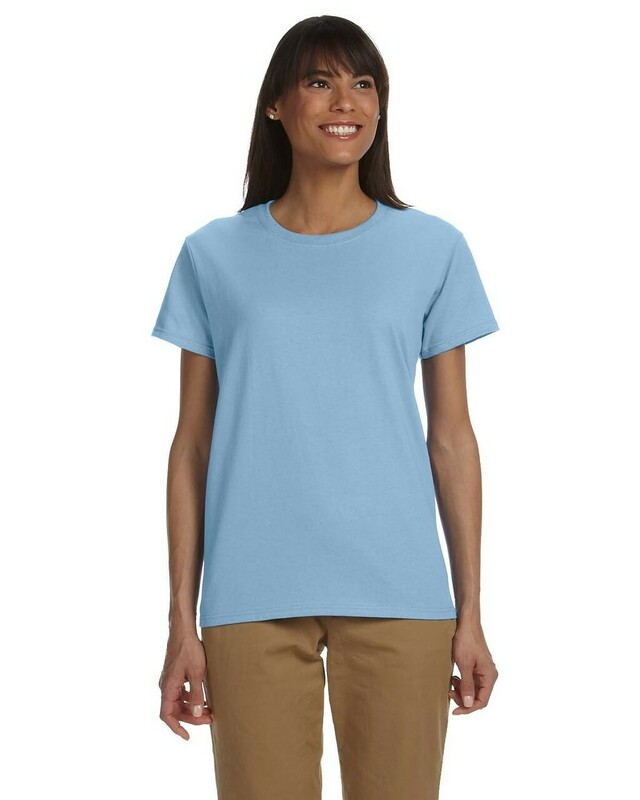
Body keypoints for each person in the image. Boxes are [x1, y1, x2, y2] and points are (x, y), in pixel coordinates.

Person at [153, 14, 500, 800]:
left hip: (400, 591)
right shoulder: (213, 254)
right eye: (320, 81)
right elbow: (192, 447)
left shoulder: (434, 248)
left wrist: (471, 612)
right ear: (276, 104)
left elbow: (451, 438)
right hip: (250, 594)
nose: (347, 101)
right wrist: (180, 620)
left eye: (363, 83)